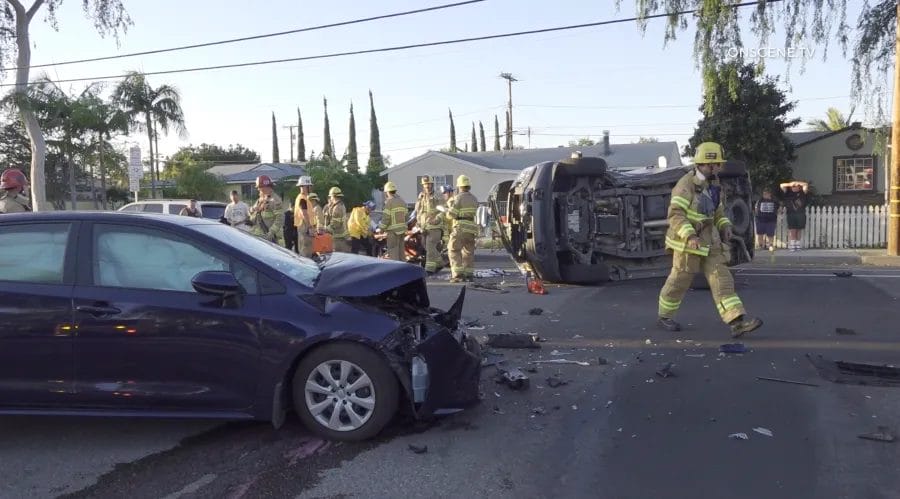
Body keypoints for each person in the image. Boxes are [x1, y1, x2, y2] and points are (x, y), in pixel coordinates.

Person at [657, 142, 763, 338]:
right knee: (679, 281)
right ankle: (665, 316)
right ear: (706, 164)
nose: (719, 168)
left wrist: (725, 226)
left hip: (709, 242)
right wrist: (689, 236)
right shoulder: (685, 185)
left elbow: (718, 212)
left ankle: (736, 322)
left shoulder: (714, 185)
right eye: (716, 165)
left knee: (722, 280)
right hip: (687, 244)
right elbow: (676, 215)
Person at [447, 175, 479, 283]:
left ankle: (458, 274)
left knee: (453, 249)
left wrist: (448, 208)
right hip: (471, 227)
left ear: (459, 186)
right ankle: (468, 274)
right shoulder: (474, 198)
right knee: (468, 252)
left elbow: (452, 214)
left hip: (461, 227)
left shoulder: (458, 197)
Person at [415, 176, 444, 274]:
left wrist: (437, 219)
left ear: (432, 184)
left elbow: (443, 210)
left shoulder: (438, 195)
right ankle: (439, 263)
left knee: (430, 247)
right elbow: (419, 211)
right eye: (425, 184)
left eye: (428, 184)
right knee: (426, 247)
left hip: (435, 227)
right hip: (424, 227)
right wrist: (418, 223)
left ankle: (429, 270)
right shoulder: (421, 196)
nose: (427, 186)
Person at [249, 175, 284, 246]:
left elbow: (280, 219)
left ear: (265, 187)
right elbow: (252, 214)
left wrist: (271, 233)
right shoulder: (260, 199)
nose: (258, 189)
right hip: (257, 236)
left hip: (270, 239)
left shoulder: (275, 200)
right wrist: (252, 209)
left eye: (259, 187)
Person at [378, 181, 408, 261]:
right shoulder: (402, 201)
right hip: (402, 231)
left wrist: (381, 229)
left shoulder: (389, 202)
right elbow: (406, 216)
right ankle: (403, 269)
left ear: (387, 192)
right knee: (401, 252)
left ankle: (396, 270)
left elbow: (386, 218)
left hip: (393, 232)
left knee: (393, 252)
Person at [780, 180, 809, 251]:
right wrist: (791, 184)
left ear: (799, 187)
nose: (794, 187)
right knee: (792, 230)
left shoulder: (802, 192)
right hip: (791, 213)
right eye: (793, 187)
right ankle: (793, 245)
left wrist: (797, 183)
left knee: (799, 230)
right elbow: (782, 185)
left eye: (796, 187)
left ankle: (798, 245)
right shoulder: (788, 193)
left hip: (800, 213)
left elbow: (805, 185)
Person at [325, 186, 350, 253]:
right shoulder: (341, 205)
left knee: (336, 255)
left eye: (331, 196)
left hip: (337, 236)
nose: (330, 198)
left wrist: (325, 229)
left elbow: (335, 224)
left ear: (333, 196)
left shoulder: (337, 208)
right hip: (341, 235)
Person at [294, 176, 314, 257]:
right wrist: (309, 227)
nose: (311, 188)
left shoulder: (303, 198)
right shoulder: (302, 198)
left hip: (304, 226)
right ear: (306, 187)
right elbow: (304, 213)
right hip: (305, 227)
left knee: (306, 249)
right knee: (306, 250)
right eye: (309, 186)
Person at [753, 188, 779, 252]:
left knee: (770, 233)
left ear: (770, 194)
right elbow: (756, 208)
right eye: (764, 194)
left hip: (771, 220)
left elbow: (779, 207)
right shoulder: (760, 200)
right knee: (760, 233)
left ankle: (770, 245)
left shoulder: (774, 200)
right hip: (760, 219)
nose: (765, 195)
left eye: (767, 193)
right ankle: (761, 245)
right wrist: (757, 215)